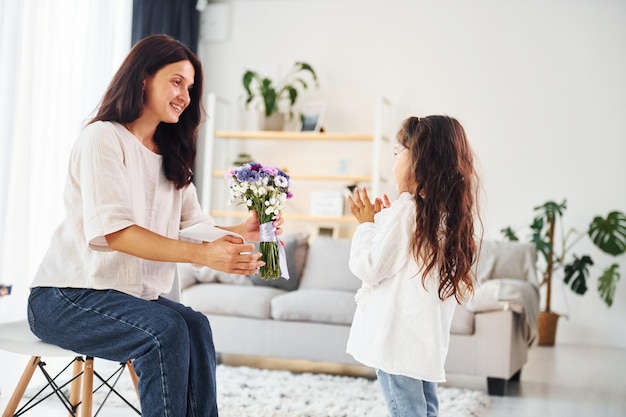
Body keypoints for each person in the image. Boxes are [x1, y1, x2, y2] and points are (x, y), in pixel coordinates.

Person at [27, 34, 281, 417]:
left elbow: (193, 225)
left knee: (194, 324)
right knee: (166, 330)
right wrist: (204, 255)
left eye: (190, 87)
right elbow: (116, 232)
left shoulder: (171, 155)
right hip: (65, 296)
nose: (185, 95)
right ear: (143, 77)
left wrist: (240, 231)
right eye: (176, 81)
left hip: (123, 297)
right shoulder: (103, 138)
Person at [346, 115, 480, 417]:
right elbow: (404, 257)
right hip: (422, 341)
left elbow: (370, 267)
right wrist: (383, 222)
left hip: (396, 339)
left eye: (397, 154)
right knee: (425, 405)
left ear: (420, 160)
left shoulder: (407, 210)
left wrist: (366, 225)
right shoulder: (444, 214)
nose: (392, 164)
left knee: (406, 409)